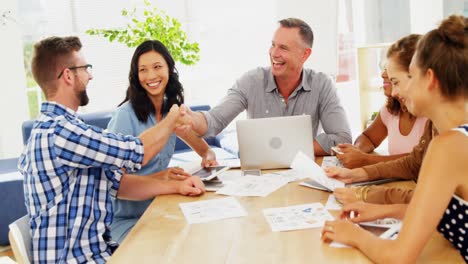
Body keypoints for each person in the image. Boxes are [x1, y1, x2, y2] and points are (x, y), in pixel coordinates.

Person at [18, 36, 205, 263]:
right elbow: (139, 151)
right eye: (85, 68)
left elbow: (120, 184)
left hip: (98, 251)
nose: (90, 75)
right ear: (68, 75)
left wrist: (177, 185)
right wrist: (173, 116)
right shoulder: (61, 133)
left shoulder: (65, 129)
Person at [321, 15, 468, 262]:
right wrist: (378, 210)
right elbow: (440, 210)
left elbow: (399, 257)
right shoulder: (455, 139)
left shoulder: (449, 146)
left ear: (430, 79)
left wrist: (354, 234)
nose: (399, 90)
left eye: (409, 77)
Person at [187, 17, 352, 156]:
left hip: (304, 174)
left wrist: (286, 151)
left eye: (283, 48)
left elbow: (342, 139)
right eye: (273, 45)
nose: (274, 53)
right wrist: (193, 120)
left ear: (305, 54)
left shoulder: (322, 84)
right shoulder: (250, 81)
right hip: (260, 179)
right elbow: (215, 121)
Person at [107, 40, 217, 243]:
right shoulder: (125, 116)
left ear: (169, 69)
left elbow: (205, 150)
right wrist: (163, 178)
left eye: (157, 67)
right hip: (126, 219)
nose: (151, 76)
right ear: (136, 75)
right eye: (143, 70)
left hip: (161, 208)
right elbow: (113, 183)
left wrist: (209, 158)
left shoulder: (170, 111)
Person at [334, 35, 427, 169]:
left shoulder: (430, 114)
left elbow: (419, 161)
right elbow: (369, 137)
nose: (383, 74)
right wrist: (356, 152)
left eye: (388, 69)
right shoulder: (390, 110)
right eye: (383, 68)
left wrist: (366, 160)